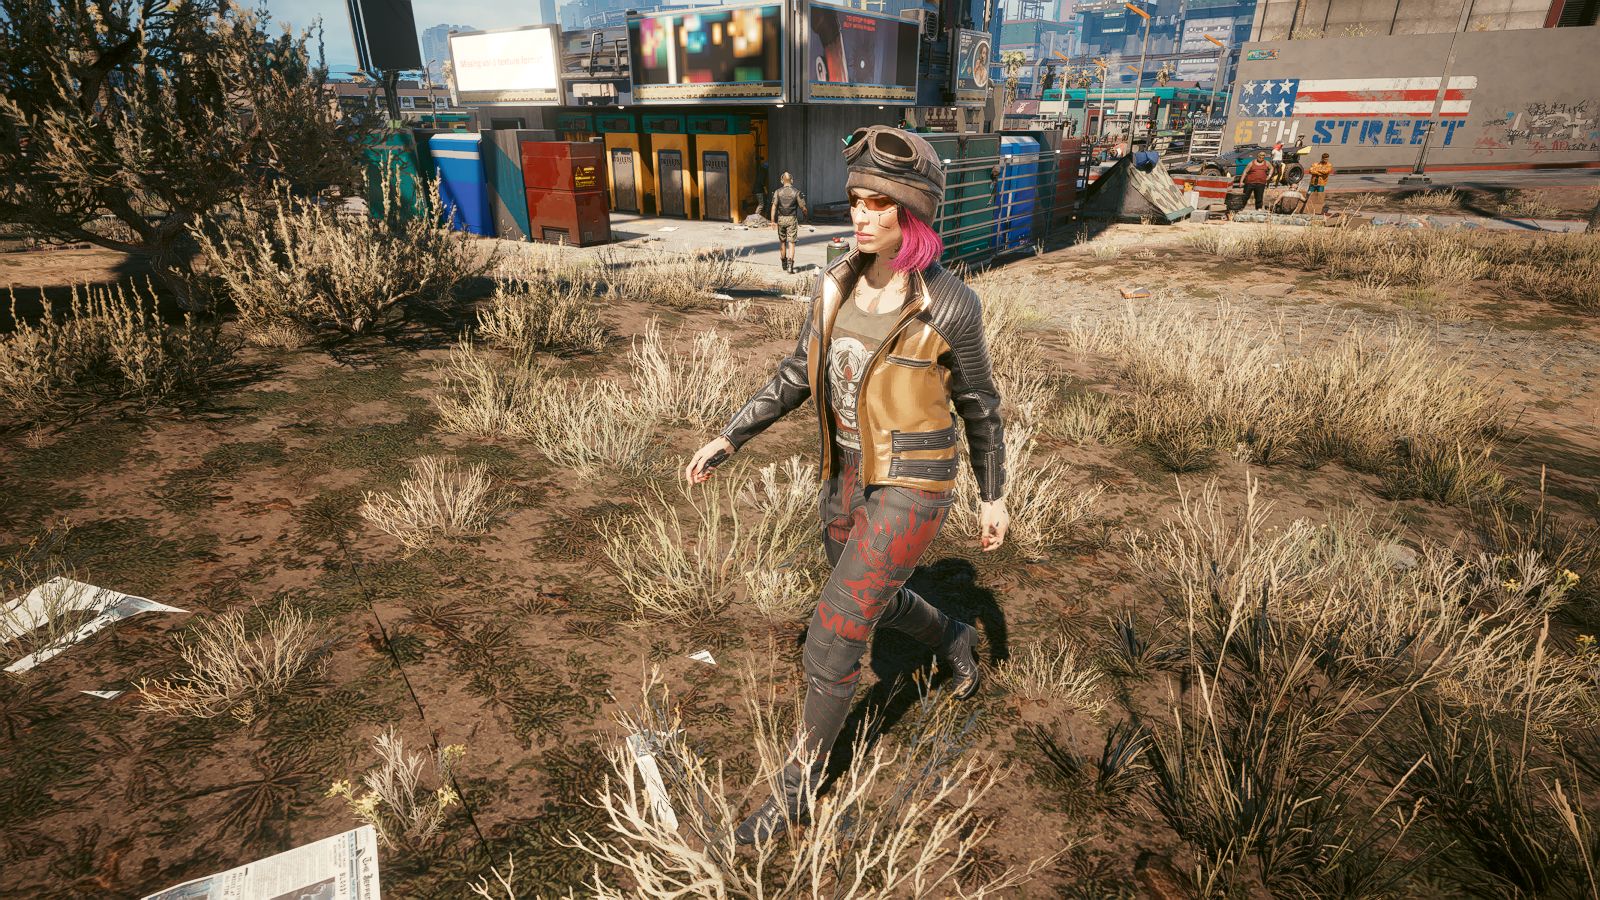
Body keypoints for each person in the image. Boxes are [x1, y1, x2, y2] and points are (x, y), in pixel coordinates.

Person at [686, 125, 1009, 845]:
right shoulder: (834, 281)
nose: (860, 215)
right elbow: (798, 372)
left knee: (833, 635)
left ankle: (796, 791)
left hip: (914, 482)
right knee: (872, 596)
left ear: (912, 214)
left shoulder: (949, 304)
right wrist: (731, 434)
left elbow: (980, 404)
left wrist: (994, 494)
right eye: (857, 200)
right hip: (844, 473)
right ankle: (951, 634)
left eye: (878, 204)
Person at [770, 172, 809, 273]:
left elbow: (774, 206)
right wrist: (806, 217)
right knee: (791, 242)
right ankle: (790, 267)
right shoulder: (797, 192)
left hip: (781, 219)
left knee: (782, 242)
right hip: (792, 219)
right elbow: (803, 208)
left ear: (782, 181)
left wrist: (773, 221)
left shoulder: (777, 192)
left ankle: (784, 263)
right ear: (792, 180)